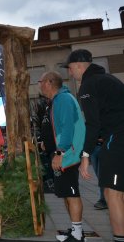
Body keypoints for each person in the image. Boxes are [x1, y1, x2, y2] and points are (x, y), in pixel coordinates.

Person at [64, 49, 124, 241]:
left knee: (112, 194)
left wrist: (85, 155)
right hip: (117, 136)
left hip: (117, 138)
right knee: (117, 192)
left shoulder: (89, 85)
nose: (70, 73)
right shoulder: (109, 79)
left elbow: (93, 124)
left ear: (79, 66)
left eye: (70, 69)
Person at [39, 71, 86, 242]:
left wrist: (60, 152)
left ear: (49, 82)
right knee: (66, 193)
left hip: (67, 154)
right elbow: (56, 127)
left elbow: (67, 129)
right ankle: (74, 229)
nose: (39, 85)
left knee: (72, 193)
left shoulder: (64, 99)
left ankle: (78, 234)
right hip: (60, 153)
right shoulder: (55, 101)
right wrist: (47, 142)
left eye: (41, 81)